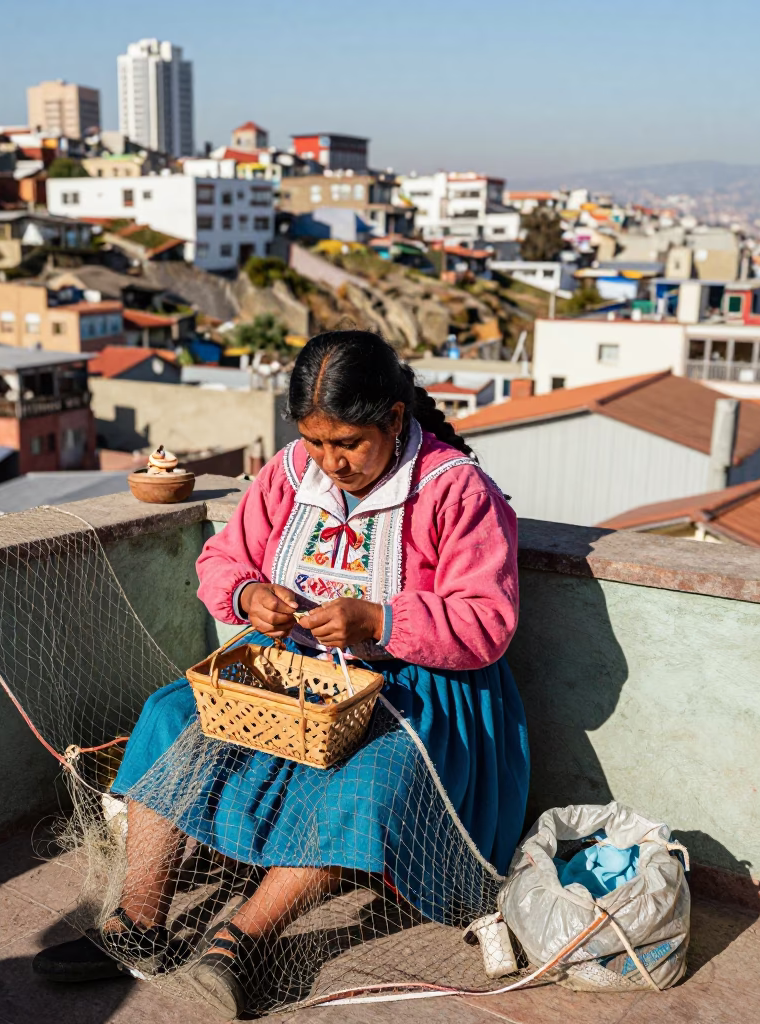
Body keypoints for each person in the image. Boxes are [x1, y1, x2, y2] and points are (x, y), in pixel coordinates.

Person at [33, 330, 529, 1017]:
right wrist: (247, 597)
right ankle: (140, 922)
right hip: (297, 674)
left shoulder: (455, 490)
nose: (331, 463)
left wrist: (381, 622)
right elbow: (222, 561)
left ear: (393, 417)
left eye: (347, 444)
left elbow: (486, 622)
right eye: (317, 443)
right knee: (173, 714)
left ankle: (242, 941)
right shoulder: (292, 473)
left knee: (369, 776)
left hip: (417, 688)